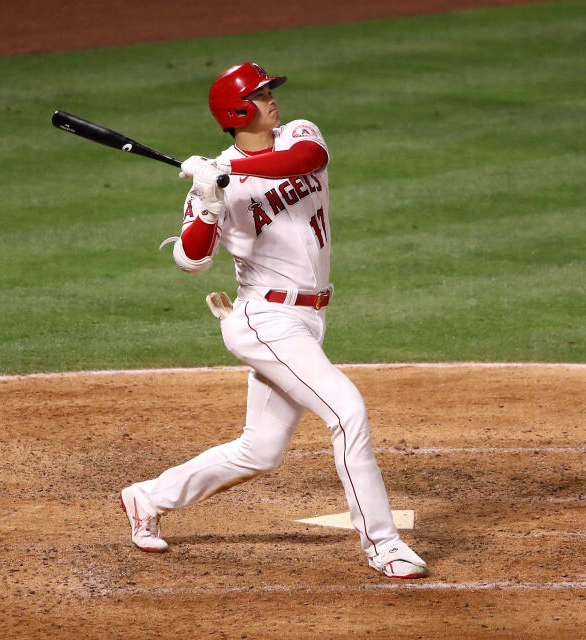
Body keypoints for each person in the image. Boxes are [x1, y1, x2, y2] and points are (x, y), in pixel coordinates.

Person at [119, 62, 427, 579]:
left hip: (308, 318)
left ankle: (148, 498)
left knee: (260, 450)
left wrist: (229, 173)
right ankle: (383, 545)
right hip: (265, 318)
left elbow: (310, 158)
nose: (272, 99)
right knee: (346, 411)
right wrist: (210, 203)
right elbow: (191, 260)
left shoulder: (298, 135)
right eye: (262, 94)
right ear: (239, 110)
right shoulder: (211, 181)